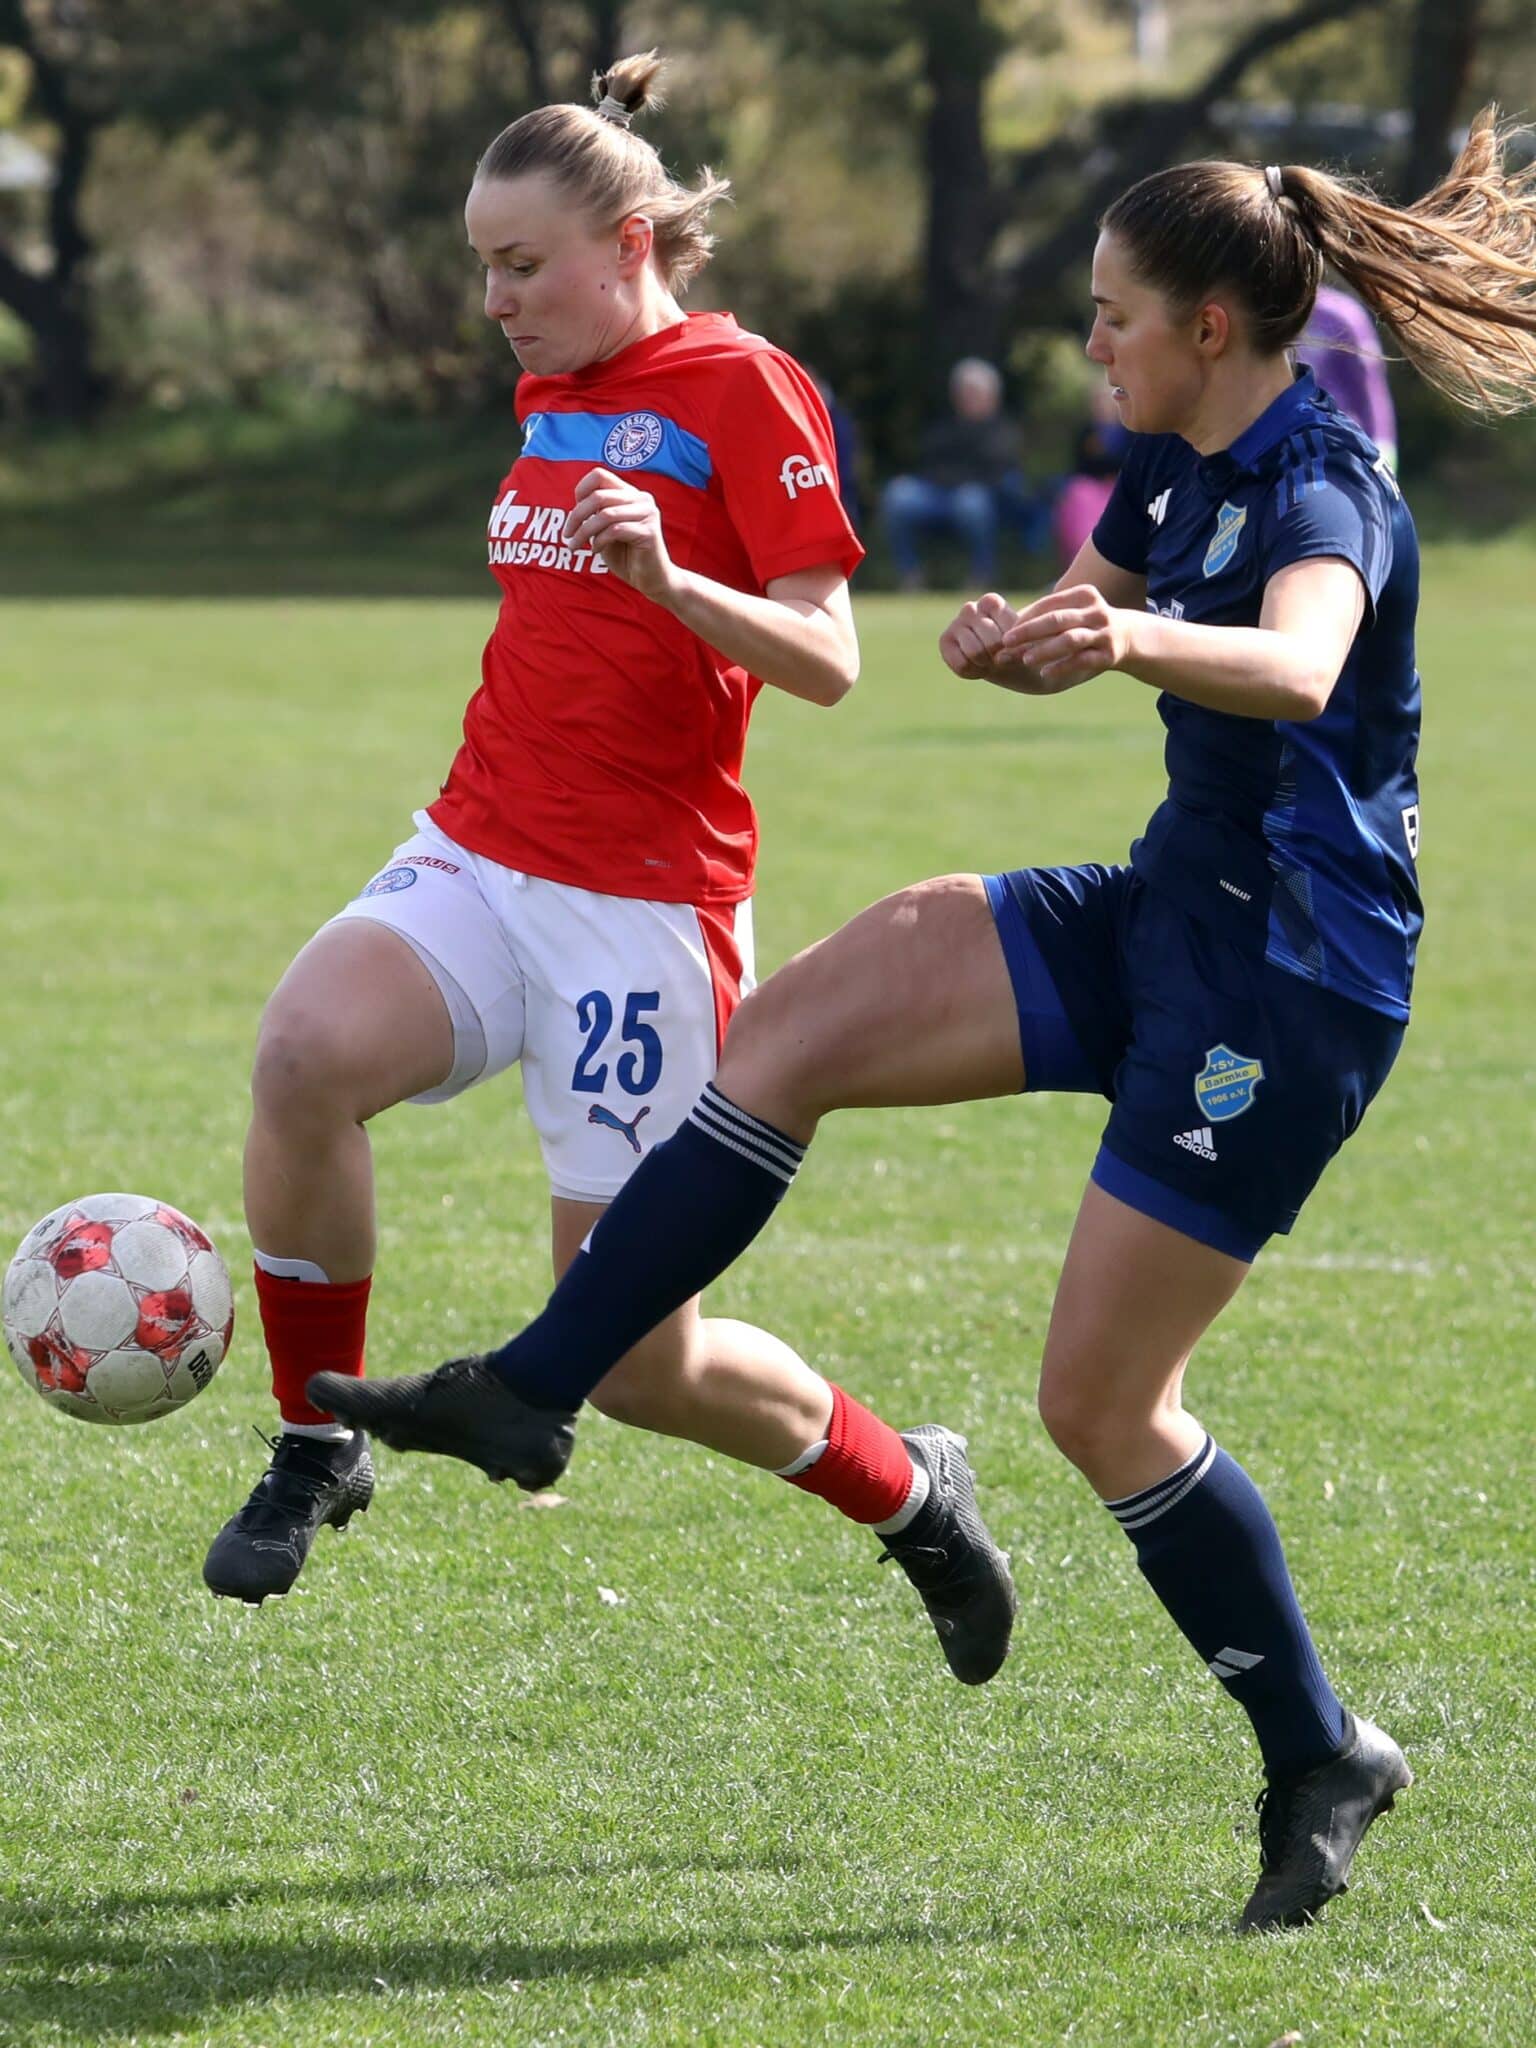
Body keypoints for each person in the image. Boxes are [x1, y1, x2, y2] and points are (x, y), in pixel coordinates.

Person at [316, 113, 1536, 1926]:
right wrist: (1028, 633)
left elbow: (1297, 663)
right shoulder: (1171, 464)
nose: (1092, 344)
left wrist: (1120, 647)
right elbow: (1097, 606)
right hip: (1162, 910)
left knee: (1101, 1404)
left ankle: (1319, 1746)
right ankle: (533, 1386)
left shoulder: (1322, 485)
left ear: (1214, 326)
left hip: (1288, 984)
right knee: (804, 1017)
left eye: (1117, 314)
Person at [203, 49, 1016, 1681]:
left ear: (625, 244)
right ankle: (317, 1437)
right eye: (480, 265)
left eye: (520, 265)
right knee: (301, 1055)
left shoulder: (745, 388)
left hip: (646, 916)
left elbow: (828, 658)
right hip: (480, 850)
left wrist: (668, 580)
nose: (494, 298)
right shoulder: (551, 384)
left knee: (645, 1364)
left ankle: (913, 1488)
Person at [880, 357, 1024, 588]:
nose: (967, 398)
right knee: (898, 495)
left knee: (972, 502)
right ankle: (910, 575)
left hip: (977, 499)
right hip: (936, 494)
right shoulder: (944, 426)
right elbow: (927, 462)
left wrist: (959, 478)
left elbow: (997, 474)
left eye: (974, 392)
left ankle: (982, 575)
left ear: (991, 396)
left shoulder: (1002, 432)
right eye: (963, 392)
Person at [1296, 282, 1397, 470]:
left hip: (1342, 452)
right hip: (1286, 450)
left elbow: (1371, 389)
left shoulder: (1343, 316)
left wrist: (1383, 443)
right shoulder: (1264, 316)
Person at [1052, 384, 1134, 569]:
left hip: (1120, 486)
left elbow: (1129, 462)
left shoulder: (1129, 431)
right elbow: (1081, 464)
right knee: (1077, 495)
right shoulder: (1087, 432)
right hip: (1090, 487)